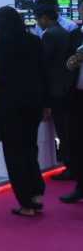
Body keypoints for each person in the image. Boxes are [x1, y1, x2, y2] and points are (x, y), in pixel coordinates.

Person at [0, 7, 47, 216]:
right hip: (33, 103)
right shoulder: (34, 41)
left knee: (14, 153)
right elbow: (42, 72)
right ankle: (36, 194)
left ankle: (26, 203)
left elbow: (1, 75)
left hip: (9, 105)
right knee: (30, 148)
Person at [36, 3, 77, 182]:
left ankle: (70, 167)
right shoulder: (63, 32)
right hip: (67, 87)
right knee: (68, 129)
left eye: (38, 19)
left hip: (56, 89)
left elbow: (44, 64)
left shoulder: (49, 35)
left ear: (45, 18)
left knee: (63, 130)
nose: (38, 23)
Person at [62, 46, 83, 203]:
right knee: (77, 144)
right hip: (78, 98)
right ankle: (80, 187)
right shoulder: (80, 47)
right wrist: (76, 60)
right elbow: (69, 66)